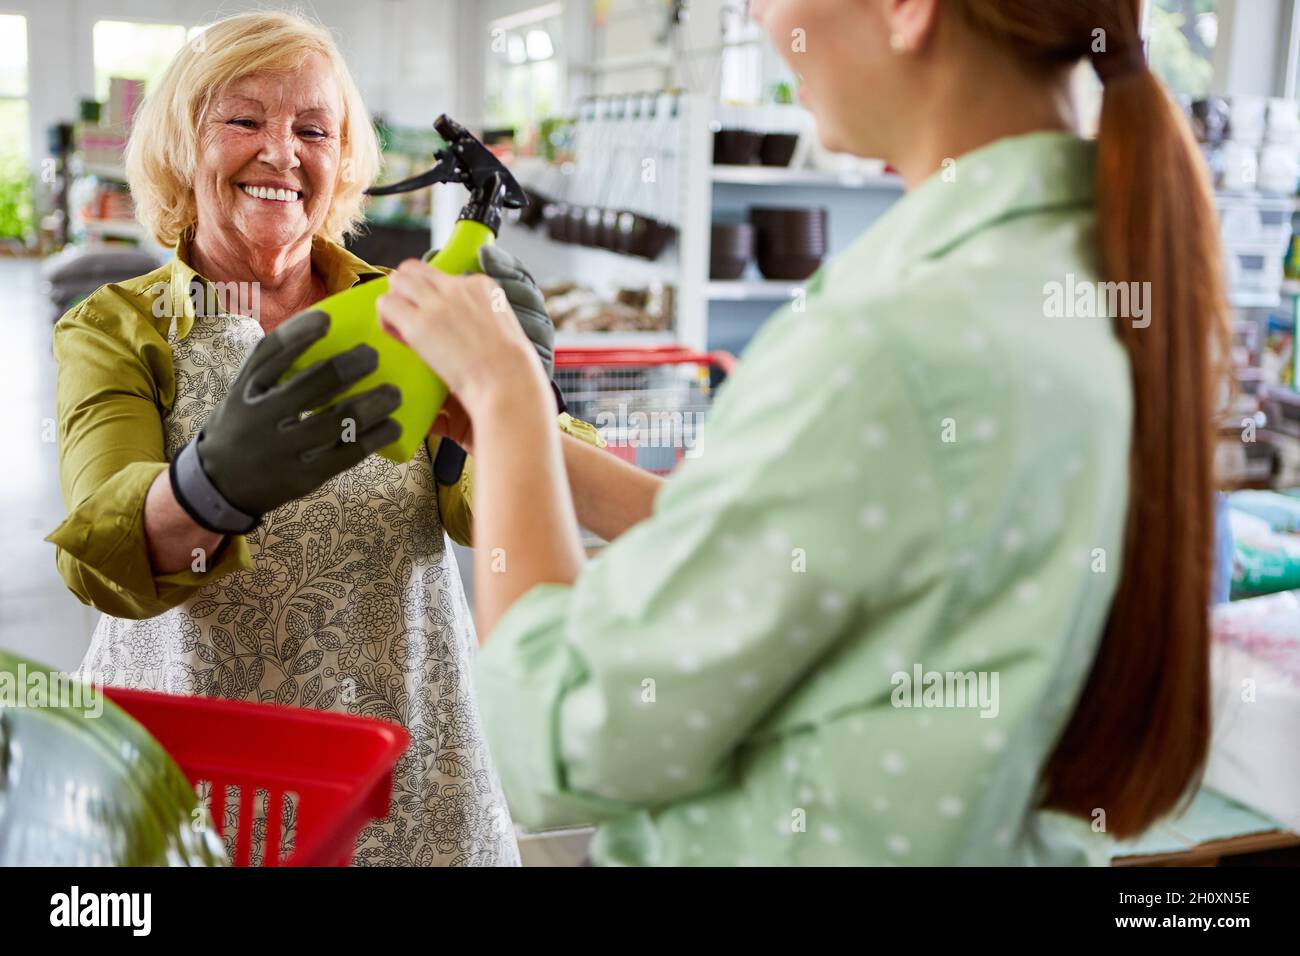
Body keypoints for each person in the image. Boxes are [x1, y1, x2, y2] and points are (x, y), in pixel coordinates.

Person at [374, 0, 1230, 865]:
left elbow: (561, 737)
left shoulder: (890, 337)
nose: (760, 14)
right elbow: (787, 551)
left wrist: (511, 398)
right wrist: (513, 432)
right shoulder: (1086, 269)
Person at [47, 10, 598, 867]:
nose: (281, 152)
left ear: (344, 160)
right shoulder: (120, 328)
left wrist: (520, 402)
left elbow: (481, 515)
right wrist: (210, 485)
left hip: (405, 752)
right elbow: (103, 557)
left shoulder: (411, 311)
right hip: (199, 762)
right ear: (181, 147)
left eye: (314, 128)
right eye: (243, 120)